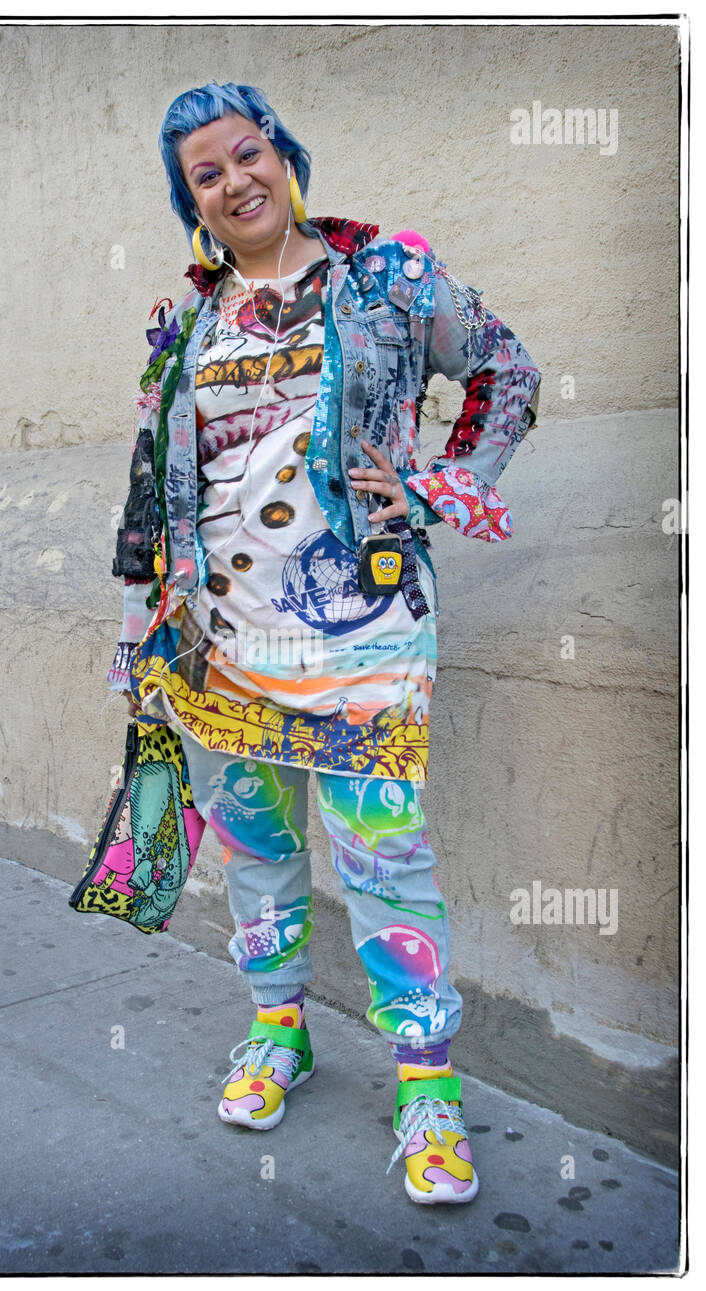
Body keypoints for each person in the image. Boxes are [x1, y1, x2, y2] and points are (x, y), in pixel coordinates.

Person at [107, 82, 541, 1205]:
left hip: (361, 640)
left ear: (285, 157)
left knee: (386, 861)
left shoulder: (386, 275)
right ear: (190, 201)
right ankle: (279, 1030)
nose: (234, 181)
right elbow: (153, 491)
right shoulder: (188, 322)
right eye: (206, 174)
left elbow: (506, 372)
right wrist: (135, 635)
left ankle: (426, 1087)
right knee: (253, 851)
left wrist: (441, 484)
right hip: (217, 647)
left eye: (247, 154)